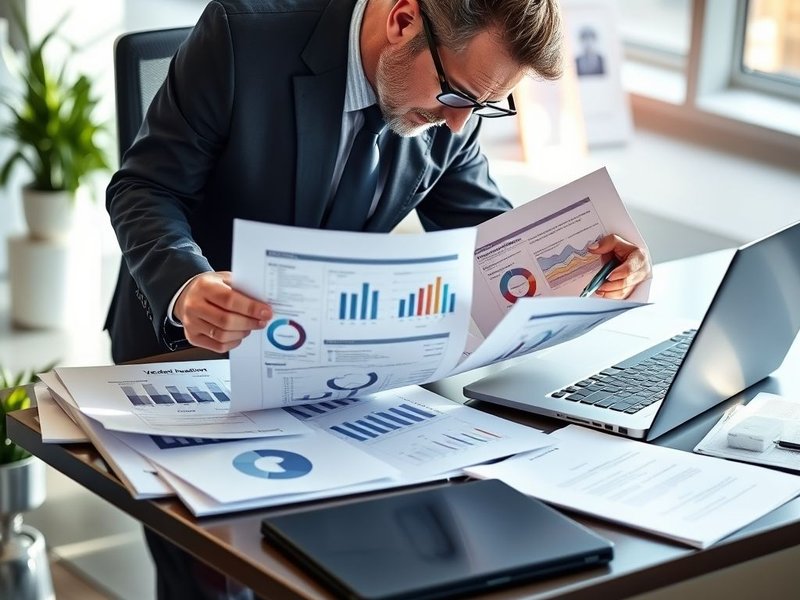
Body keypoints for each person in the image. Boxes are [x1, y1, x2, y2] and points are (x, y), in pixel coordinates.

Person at [105, 1, 651, 598]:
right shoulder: (241, 35)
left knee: (323, 569)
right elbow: (145, 186)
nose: (460, 127)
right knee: (216, 576)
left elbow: (486, 237)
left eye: (484, 106)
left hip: (324, 374)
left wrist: (588, 266)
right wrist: (185, 288)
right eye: (459, 98)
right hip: (194, 352)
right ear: (403, 20)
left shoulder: (448, 103)